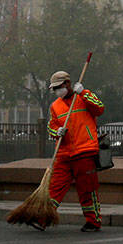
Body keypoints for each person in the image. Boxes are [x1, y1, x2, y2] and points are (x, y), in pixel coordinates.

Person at [45, 69, 105, 231]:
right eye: (54, 88)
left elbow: (99, 108)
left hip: (84, 150)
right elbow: (51, 126)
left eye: (59, 87)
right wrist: (56, 132)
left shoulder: (83, 97)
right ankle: (43, 217)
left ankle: (93, 221)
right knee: (54, 188)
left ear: (67, 84)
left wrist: (84, 92)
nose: (57, 91)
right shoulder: (55, 106)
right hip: (64, 153)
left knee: (87, 189)